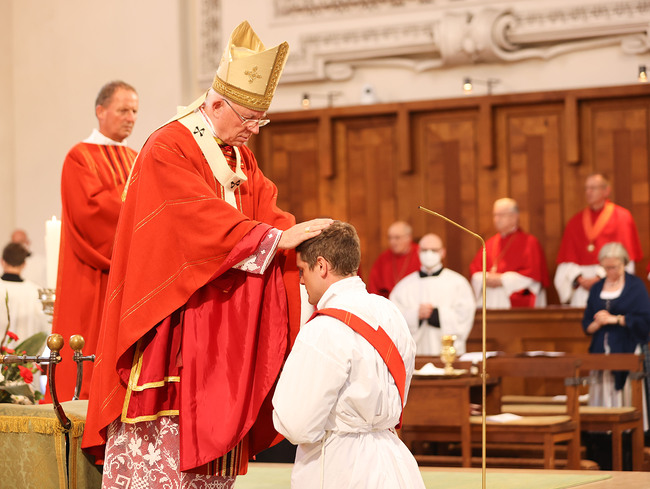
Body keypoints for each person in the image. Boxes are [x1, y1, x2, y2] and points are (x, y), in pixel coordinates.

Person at [82, 21, 332, 488]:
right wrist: (275, 240)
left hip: (220, 328)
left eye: (262, 121)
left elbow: (267, 209)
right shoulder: (169, 146)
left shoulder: (238, 155)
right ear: (215, 104)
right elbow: (190, 221)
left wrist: (298, 238)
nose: (254, 131)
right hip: (172, 320)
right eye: (248, 120)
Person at [272, 221, 425, 489]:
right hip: (393, 459)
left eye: (301, 270)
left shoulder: (323, 328)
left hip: (340, 465)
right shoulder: (390, 312)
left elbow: (295, 424)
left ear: (321, 266)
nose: (300, 280)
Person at [50, 80, 139, 402]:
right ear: (101, 111)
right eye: (123, 110)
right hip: (92, 270)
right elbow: (92, 211)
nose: (130, 117)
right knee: (87, 340)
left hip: (130, 272)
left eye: (134, 111)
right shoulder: (79, 156)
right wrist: (134, 213)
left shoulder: (135, 157)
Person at [555, 173, 643, 307]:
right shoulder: (575, 221)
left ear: (606, 190)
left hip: (610, 280)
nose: (588, 192)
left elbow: (626, 261)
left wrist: (599, 278)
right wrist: (579, 278)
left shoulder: (622, 217)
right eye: (586, 188)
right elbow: (566, 262)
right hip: (581, 284)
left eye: (593, 188)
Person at [581, 242, 650, 408]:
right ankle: (601, 430)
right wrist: (597, 323)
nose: (611, 271)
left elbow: (645, 319)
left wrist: (616, 319)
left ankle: (628, 428)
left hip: (627, 345)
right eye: (607, 268)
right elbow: (587, 324)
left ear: (624, 263)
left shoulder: (635, 286)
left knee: (625, 390)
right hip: (600, 347)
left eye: (615, 267)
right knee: (602, 384)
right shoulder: (597, 288)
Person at [389, 233, 475, 355]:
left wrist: (437, 315)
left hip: (448, 354)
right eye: (424, 250)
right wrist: (415, 315)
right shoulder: (404, 286)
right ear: (418, 252)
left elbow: (465, 315)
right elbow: (394, 318)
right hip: (417, 354)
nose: (429, 254)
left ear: (443, 252)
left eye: (434, 250)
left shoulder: (458, 283)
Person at [469, 198, 550, 309]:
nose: (496, 219)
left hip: (514, 304)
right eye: (495, 215)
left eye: (501, 215)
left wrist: (503, 280)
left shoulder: (529, 242)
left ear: (514, 217)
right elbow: (475, 272)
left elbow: (533, 277)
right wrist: (486, 278)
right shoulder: (489, 243)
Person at [0, 243, 50, 392]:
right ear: (24, 264)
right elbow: (44, 331)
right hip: (27, 364)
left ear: (2, 261)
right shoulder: (35, 292)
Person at [367, 220, 420, 298]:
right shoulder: (383, 259)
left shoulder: (420, 253)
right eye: (390, 238)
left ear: (408, 237)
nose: (392, 242)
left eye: (397, 238)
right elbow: (373, 289)